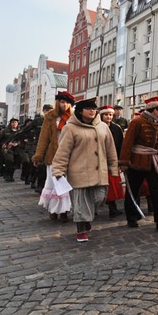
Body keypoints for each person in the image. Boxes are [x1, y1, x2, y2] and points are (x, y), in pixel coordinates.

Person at [51, 97, 119, 242]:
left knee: (99, 197)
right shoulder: (70, 128)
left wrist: (114, 168)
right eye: (89, 109)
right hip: (79, 172)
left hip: (99, 172)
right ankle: (81, 228)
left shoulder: (103, 127)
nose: (93, 111)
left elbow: (111, 149)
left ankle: (86, 216)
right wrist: (58, 170)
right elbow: (63, 151)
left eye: (94, 109)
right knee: (81, 202)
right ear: (81, 111)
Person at [120, 96, 158, 231]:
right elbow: (127, 143)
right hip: (136, 162)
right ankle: (131, 218)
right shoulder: (137, 122)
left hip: (153, 161)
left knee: (156, 190)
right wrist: (124, 162)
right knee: (134, 190)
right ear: (154, 110)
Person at [34, 92, 75, 220]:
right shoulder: (50, 117)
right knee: (54, 183)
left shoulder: (73, 118)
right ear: (58, 103)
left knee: (65, 183)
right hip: (53, 154)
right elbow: (44, 137)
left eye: (68, 103)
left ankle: (64, 211)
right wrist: (39, 155)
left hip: (69, 154)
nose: (65, 105)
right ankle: (53, 209)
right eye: (62, 102)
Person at [98, 105, 125, 218]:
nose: (108, 117)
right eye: (106, 114)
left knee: (113, 185)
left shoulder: (117, 128)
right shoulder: (97, 127)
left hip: (113, 160)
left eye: (110, 115)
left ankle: (112, 207)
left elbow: (121, 145)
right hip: (100, 159)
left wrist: (119, 160)